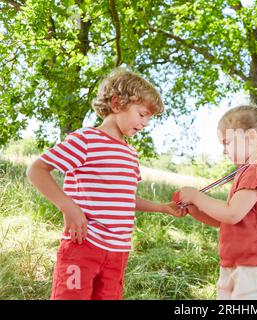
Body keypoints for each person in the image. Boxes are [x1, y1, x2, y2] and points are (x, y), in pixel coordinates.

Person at [26, 68, 183, 300]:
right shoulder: (85, 140)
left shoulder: (131, 153)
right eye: (142, 114)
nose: (146, 123)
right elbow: (36, 170)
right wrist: (68, 207)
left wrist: (162, 207)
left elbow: (124, 198)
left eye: (149, 118)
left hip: (118, 251)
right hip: (83, 246)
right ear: (118, 102)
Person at [176, 104, 257, 300]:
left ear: (251, 137)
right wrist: (197, 210)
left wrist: (196, 196)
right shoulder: (246, 171)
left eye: (227, 142)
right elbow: (228, 220)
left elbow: (232, 213)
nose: (224, 151)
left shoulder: (256, 170)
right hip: (236, 263)